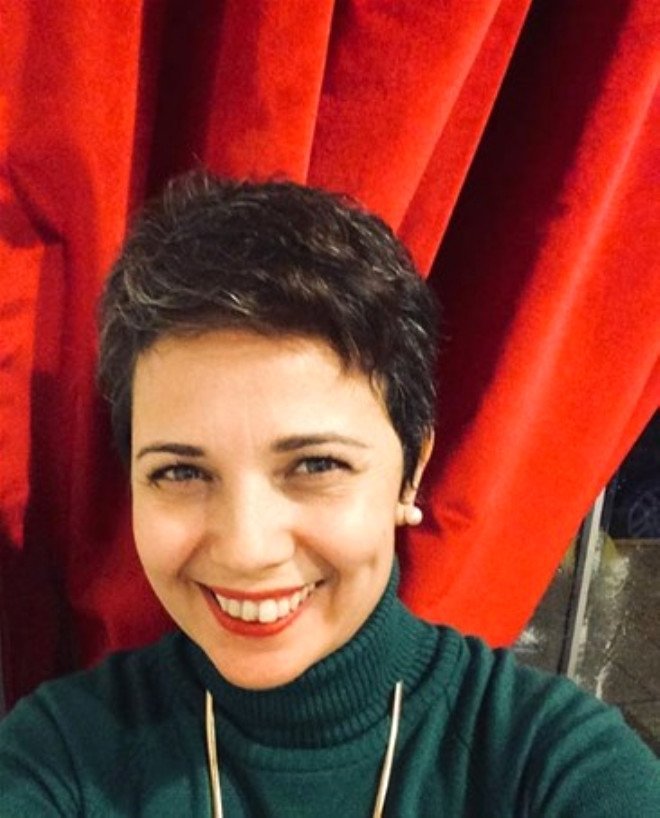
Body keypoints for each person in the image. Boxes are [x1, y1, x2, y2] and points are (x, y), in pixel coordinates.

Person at [0, 172, 658, 817]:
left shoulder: (555, 765)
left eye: (316, 465)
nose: (247, 549)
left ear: (410, 472)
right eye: (181, 473)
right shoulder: (58, 756)